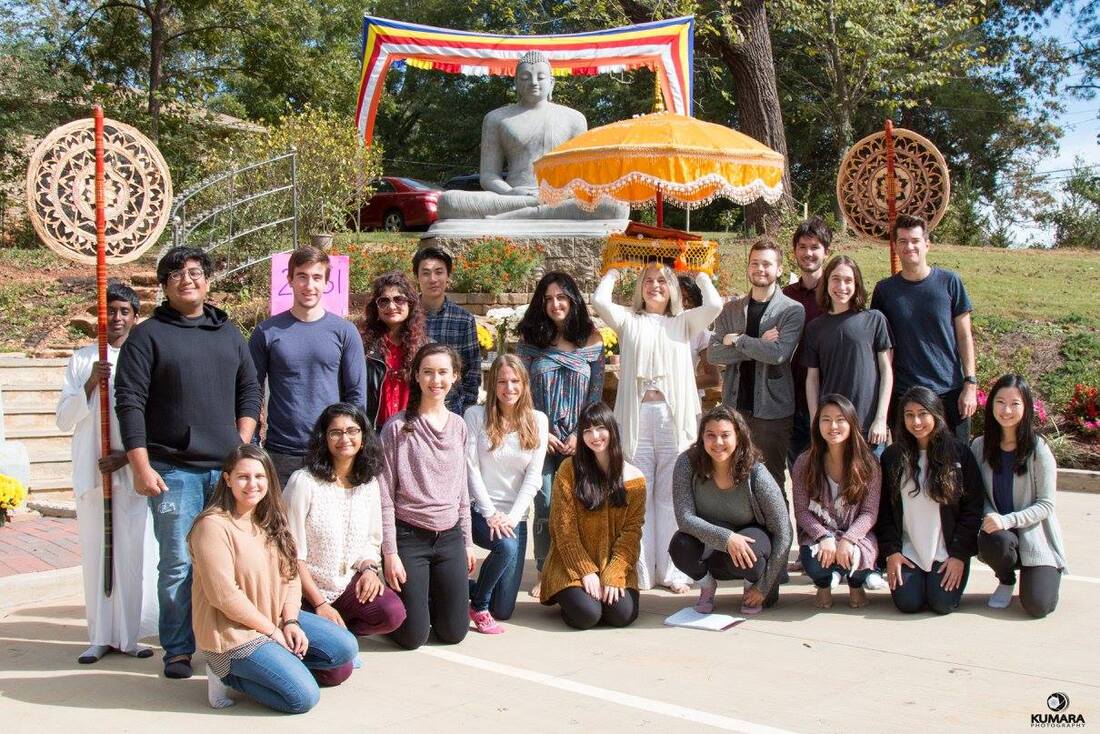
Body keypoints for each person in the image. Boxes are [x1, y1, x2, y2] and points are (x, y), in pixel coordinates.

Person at [115, 246, 261, 679]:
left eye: (195, 272)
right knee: (178, 562)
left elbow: (249, 389)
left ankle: (228, 640)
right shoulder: (148, 336)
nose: (186, 279)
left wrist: (242, 443)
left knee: (229, 561)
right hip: (173, 470)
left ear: (208, 280)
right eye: (175, 274)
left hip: (225, 471)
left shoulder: (228, 332)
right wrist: (141, 466)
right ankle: (178, 649)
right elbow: (130, 403)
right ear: (164, 286)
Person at [189, 445, 358, 713]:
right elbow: (224, 596)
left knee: (345, 649)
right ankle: (225, 673)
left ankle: (279, 664)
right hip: (235, 632)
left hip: (275, 618)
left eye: (260, 476)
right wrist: (271, 632)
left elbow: (291, 576)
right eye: (243, 477)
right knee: (303, 698)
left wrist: (290, 621)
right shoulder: (212, 526)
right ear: (227, 479)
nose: (252, 484)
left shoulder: (270, 520)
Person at [593, 263, 722, 593]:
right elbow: (600, 302)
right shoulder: (628, 321)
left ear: (673, 289)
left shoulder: (683, 322)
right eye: (648, 281)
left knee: (669, 494)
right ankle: (641, 569)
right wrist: (612, 273)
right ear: (639, 289)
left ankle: (673, 569)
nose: (655, 286)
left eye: (662, 281)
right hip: (637, 418)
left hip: (671, 419)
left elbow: (715, 306)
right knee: (639, 492)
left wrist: (700, 274)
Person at [56, 282, 157, 664]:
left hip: (130, 473)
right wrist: (91, 381)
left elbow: (152, 416)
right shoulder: (82, 359)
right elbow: (64, 419)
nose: (115, 318)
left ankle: (130, 636)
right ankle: (99, 636)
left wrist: (127, 457)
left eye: (123, 312)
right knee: (96, 554)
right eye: (109, 311)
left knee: (131, 555)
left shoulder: (143, 356)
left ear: (135, 317)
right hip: (92, 472)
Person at [435, 50, 627, 221]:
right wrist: (511, 192)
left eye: (540, 77)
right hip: (513, 197)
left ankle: (520, 215)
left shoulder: (574, 119)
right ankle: (532, 211)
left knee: (615, 205)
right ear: (516, 83)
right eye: (526, 77)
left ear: (551, 83)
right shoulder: (496, 118)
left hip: (560, 198)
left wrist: (560, 193)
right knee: (448, 201)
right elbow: (488, 175)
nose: (533, 82)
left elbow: (583, 177)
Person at [378, 344, 476, 649]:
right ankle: (402, 609)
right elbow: (384, 494)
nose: (436, 380)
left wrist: (467, 541)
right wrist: (389, 552)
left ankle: (427, 601)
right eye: (428, 372)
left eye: (443, 372)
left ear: (455, 376)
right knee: (413, 637)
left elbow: (462, 489)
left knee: (454, 633)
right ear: (417, 377)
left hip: (448, 538)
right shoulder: (396, 427)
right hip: (409, 536)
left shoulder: (459, 426)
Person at [283, 403, 407, 639]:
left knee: (392, 613)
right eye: (335, 432)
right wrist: (320, 604)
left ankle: (342, 638)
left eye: (352, 431)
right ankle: (328, 638)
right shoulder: (303, 483)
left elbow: (371, 540)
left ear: (363, 435)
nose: (345, 438)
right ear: (324, 438)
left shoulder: (368, 483)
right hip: (304, 590)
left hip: (345, 584)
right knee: (335, 673)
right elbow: (290, 554)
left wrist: (370, 569)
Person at [516, 271, 605, 597]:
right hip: (541, 437)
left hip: (581, 439)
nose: (555, 304)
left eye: (562, 297)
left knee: (580, 504)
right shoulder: (529, 343)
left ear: (573, 299)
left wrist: (581, 435)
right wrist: (542, 431)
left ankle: (577, 567)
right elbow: (519, 395)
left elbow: (595, 396)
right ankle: (544, 570)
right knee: (545, 502)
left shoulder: (592, 341)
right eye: (549, 298)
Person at [250, 247, 367, 486]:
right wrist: (252, 440)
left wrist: (348, 445)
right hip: (281, 451)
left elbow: (356, 395)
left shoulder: (345, 332)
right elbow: (252, 390)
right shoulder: (266, 332)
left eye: (316, 277)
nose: (309, 285)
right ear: (290, 280)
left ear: (326, 282)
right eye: (302, 276)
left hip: (329, 450)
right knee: (281, 523)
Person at [669, 406, 792, 615]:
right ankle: (707, 586)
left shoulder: (757, 473)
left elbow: (784, 531)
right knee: (680, 545)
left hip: (750, 543)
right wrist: (727, 538)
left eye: (725, 435)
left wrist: (763, 587)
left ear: (738, 436)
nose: (718, 443)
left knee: (751, 550)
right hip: (711, 543)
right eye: (711, 435)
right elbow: (685, 518)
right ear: (702, 438)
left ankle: (749, 586)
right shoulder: (687, 464)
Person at [876, 387, 984, 614]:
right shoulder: (893, 457)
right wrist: (892, 552)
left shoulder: (959, 454)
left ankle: (936, 579)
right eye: (909, 414)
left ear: (936, 414)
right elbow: (884, 510)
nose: (916, 421)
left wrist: (959, 555)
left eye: (922, 413)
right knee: (908, 603)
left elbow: (972, 509)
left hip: (948, 553)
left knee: (942, 603)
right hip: (908, 551)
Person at [708, 239, 805, 492]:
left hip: (772, 413)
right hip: (735, 408)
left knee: (771, 483)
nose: (760, 269)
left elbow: (779, 354)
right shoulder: (730, 310)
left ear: (779, 269)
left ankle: (780, 533)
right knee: (733, 479)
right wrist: (759, 345)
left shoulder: (791, 311)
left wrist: (738, 340)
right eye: (754, 263)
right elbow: (714, 353)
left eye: (766, 264)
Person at [870, 213, 977, 441]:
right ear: (895, 247)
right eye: (903, 241)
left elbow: (965, 336)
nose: (910, 246)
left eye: (915, 240)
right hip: (905, 396)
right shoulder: (885, 291)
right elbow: (881, 348)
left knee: (955, 467)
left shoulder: (950, 282)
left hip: (949, 392)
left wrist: (970, 384)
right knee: (910, 470)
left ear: (927, 244)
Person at [540, 402, 646, 629]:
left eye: (600, 428)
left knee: (621, 615)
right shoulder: (569, 469)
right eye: (587, 431)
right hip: (571, 564)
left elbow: (632, 533)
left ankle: (595, 594)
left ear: (612, 430)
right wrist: (585, 571)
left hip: (613, 562)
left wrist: (614, 573)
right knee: (587, 615)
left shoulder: (634, 477)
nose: (594, 436)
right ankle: (568, 595)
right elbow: (563, 529)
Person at [464, 355, 549, 632]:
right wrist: (490, 514)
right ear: (493, 385)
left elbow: (533, 477)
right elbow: (471, 468)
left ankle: (459, 588)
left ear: (524, 384)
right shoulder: (475, 415)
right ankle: (478, 606)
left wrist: (511, 519)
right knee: (506, 546)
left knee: (504, 609)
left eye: (514, 381)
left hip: (514, 518)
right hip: (479, 510)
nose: (508, 388)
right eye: (502, 381)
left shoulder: (537, 420)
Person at [973, 374, 1067, 618]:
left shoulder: (1039, 449)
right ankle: (1006, 578)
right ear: (991, 404)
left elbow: (1046, 505)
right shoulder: (979, 446)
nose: (1006, 410)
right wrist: (991, 516)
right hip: (1000, 536)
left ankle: (1040, 573)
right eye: (1000, 402)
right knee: (997, 540)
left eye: (1015, 403)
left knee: (1038, 606)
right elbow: (976, 495)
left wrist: (1009, 520)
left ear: (1026, 407)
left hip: (1035, 534)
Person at [791, 395, 881, 609]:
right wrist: (824, 536)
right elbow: (802, 511)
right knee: (816, 562)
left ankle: (856, 583)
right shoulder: (805, 462)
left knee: (857, 554)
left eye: (840, 419)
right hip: (821, 532)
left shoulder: (869, 463)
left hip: (857, 534)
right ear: (817, 424)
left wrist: (848, 539)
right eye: (826, 419)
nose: (833, 426)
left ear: (851, 423)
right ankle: (824, 584)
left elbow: (869, 512)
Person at [803, 256, 893, 453]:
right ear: (826, 282)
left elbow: (887, 371)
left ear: (857, 284)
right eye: (835, 279)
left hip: (868, 428)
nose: (841, 286)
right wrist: (815, 419)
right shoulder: (815, 328)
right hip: (832, 429)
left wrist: (881, 418)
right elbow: (812, 380)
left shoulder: (874, 320)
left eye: (848, 280)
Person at [782, 217, 832, 469]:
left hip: (831, 398)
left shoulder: (837, 293)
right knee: (801, 471)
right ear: (795, 251)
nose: (808, 253)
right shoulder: (785, 296)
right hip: (794, 401)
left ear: (826, 252)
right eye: (802, 246)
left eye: (814, 247)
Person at [414, 247, 481, 416]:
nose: (433, 279)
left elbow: (472, 371)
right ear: (417, 277)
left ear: (447, 276)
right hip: (412, 408)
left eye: (439, 272)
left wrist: (464, 409)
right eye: (426, 273)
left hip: (452, 410)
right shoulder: (407, 316)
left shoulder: (463, 320)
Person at [362, 271, 430, 432]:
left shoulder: (424, 347)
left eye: (399, 299)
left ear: (410, 304)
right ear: (376, 307)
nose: (391, 306)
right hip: (374, 431)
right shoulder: (363, 347)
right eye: (384, 301)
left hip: (412, 429)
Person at [677, 274, 721, 396]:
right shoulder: (656, 326)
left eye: (689, 298)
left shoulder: (700, 332)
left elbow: (714, 378)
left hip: (688, 402)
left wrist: (675, 385)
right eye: (679, 298)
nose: (683, 303)